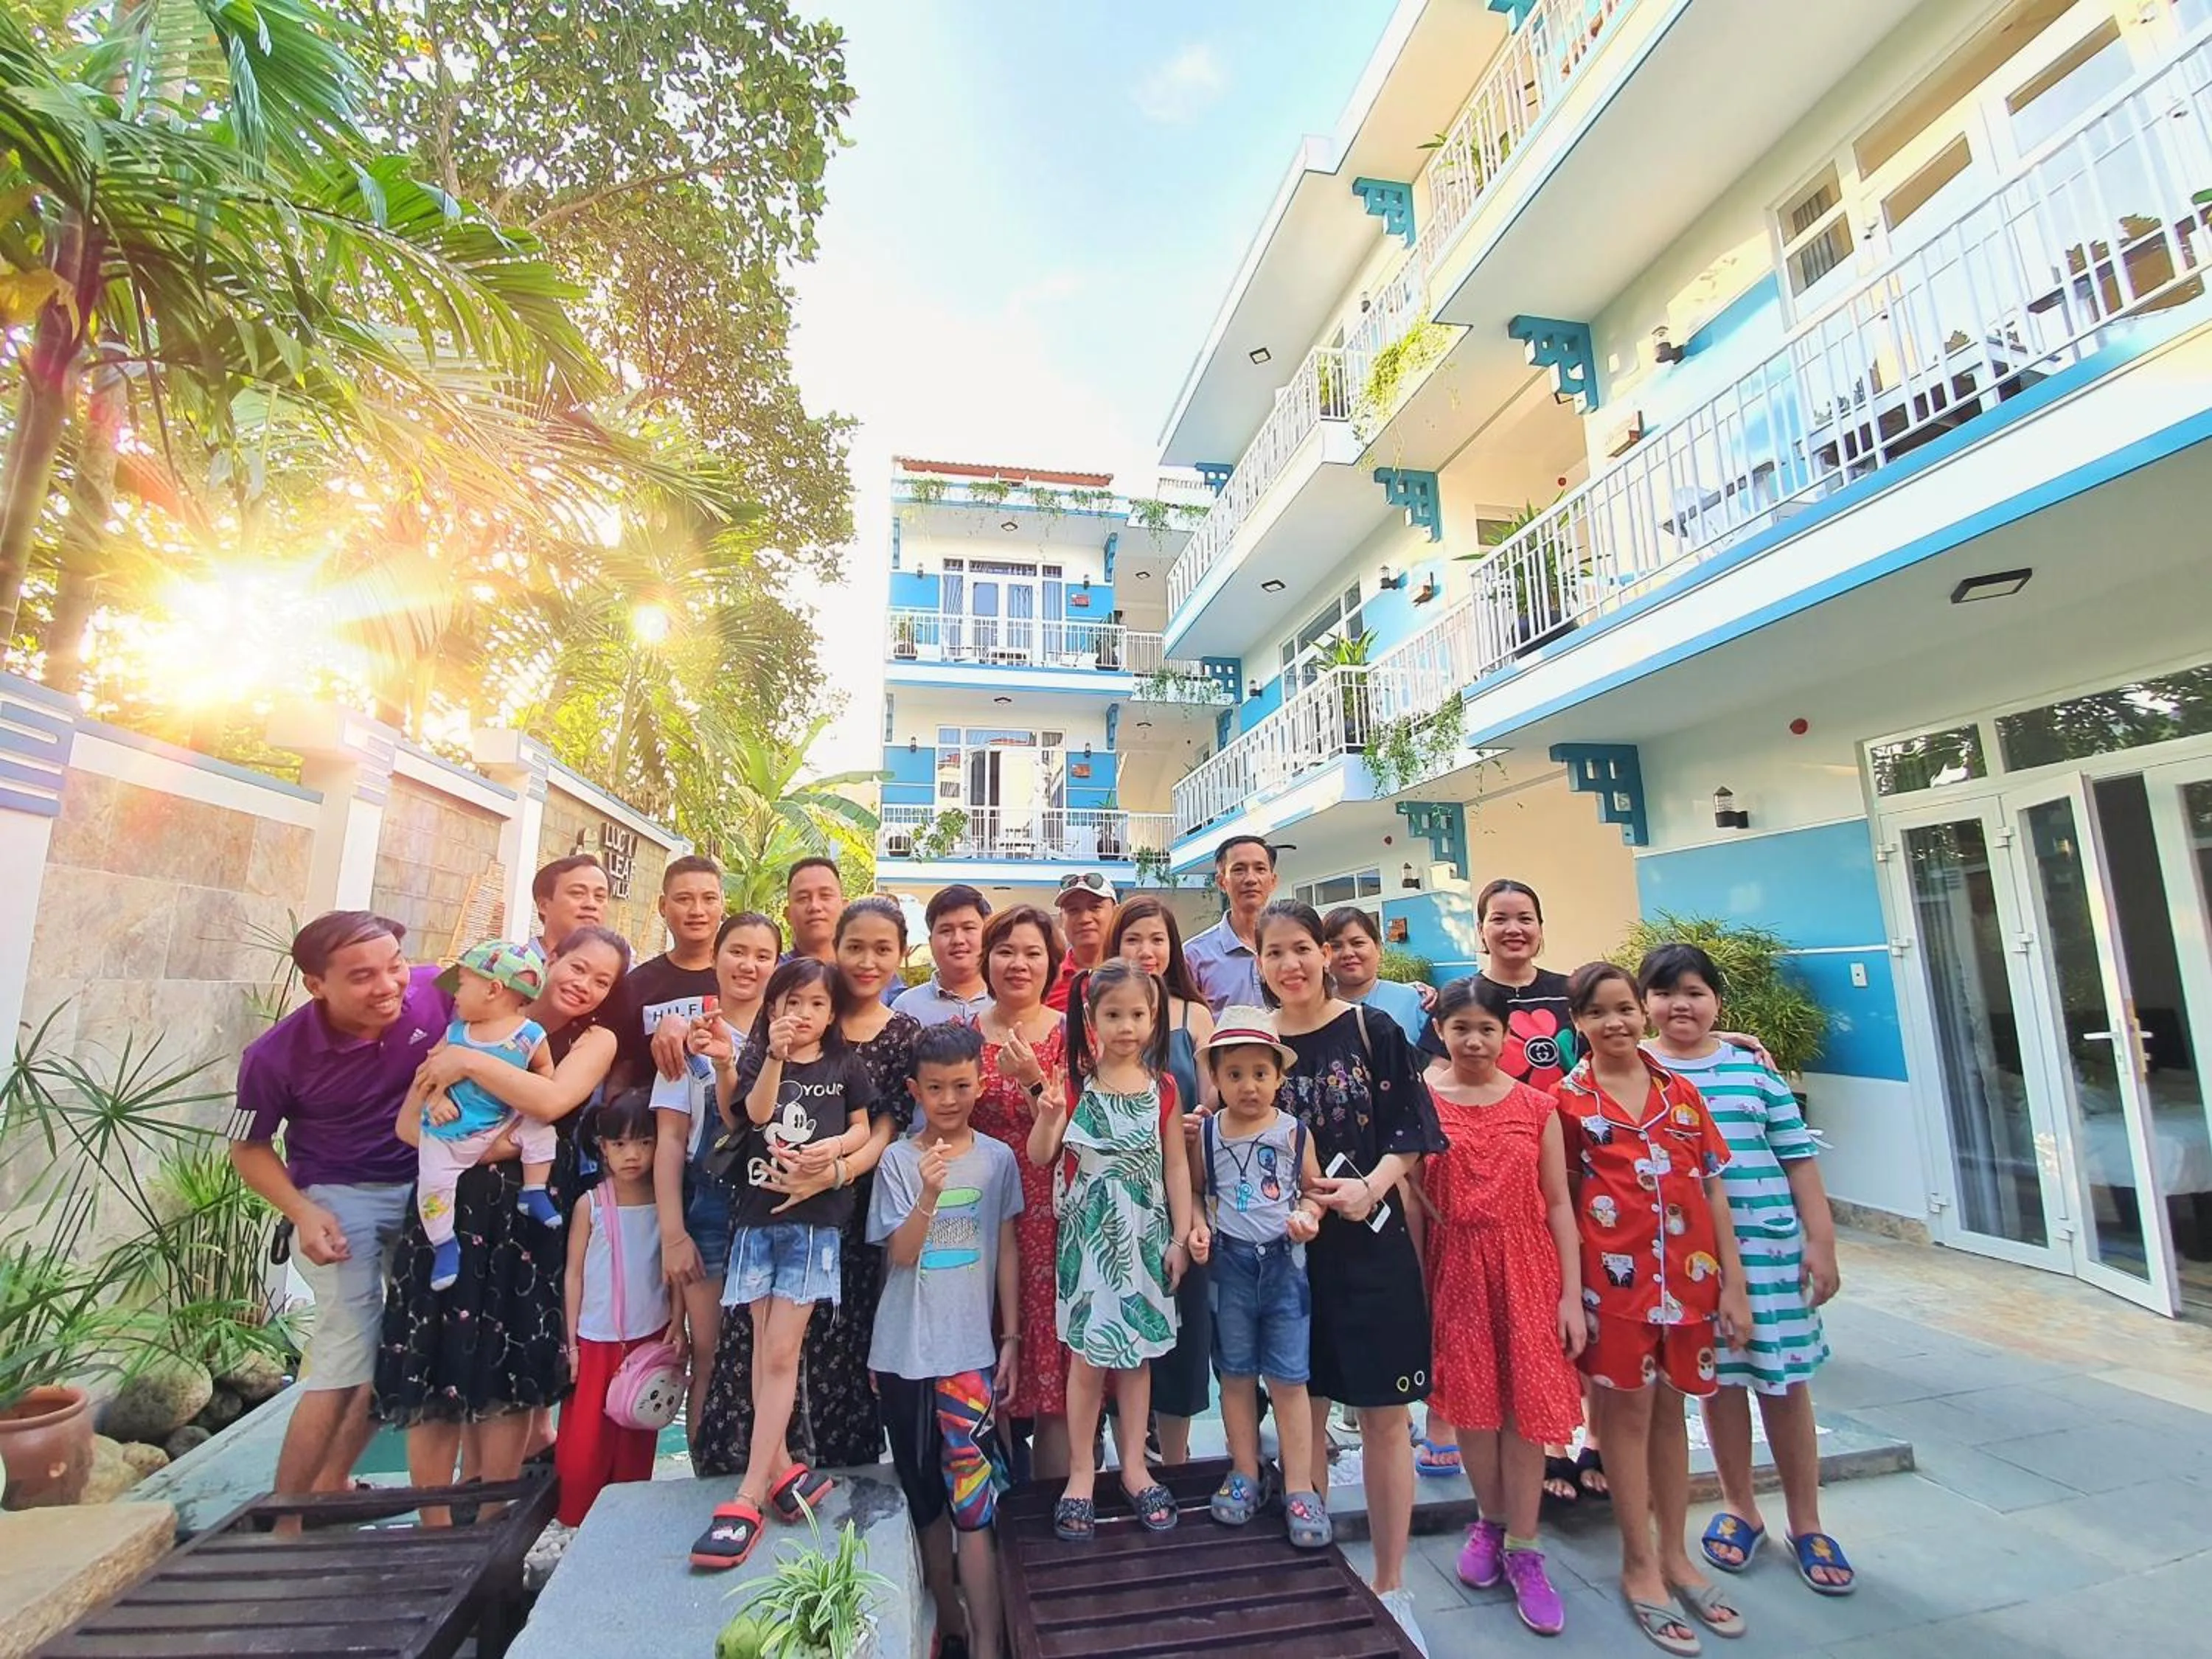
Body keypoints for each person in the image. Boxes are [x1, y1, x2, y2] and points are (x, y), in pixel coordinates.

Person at [377, 925, 633, 1512]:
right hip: (448, 1210)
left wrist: (467, 1064)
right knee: (433, 1355)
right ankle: (433, 1523)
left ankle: (492, 1511)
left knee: (511, 1359)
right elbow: (409, 1125)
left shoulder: (593, 1040)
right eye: (577, 967)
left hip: (526, 1218)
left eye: (602, 981)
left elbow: (550, 1101)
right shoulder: (463, 1025)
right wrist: (484, 1145)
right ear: (551, 958)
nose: (585, 985)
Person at [1257, 898, 1444, 1655]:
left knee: (1385, 1420)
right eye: (1275, 952)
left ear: (1325, 952)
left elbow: (1414, 1128)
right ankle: (1317, 1578)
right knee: (1300, 1419)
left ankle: (1392, 1586)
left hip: (1371, 1247)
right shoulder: (1253, 1041)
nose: (1291, 964)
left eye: (1302, 948)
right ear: (1260, 963)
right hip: (1287, 1256)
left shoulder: (1373, 1029)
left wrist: (1374, 1185)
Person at [1639, 945, 1851, 1597]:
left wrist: (1822, 1243)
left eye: (1696, 993)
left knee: (1785, 1385)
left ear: (1718, 1002)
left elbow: (1799, 1163)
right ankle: (1741, 1509)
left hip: (1771, 1253)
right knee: (1720, 1386)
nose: (1681, 1006)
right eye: (1666, 993)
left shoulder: (1754, 1074)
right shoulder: (1635, 1069)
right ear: (1645, 1003)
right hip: (1687, 1263)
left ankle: (1808, 1521)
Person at [1556, 961, 1753, 1656]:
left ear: (1642, 1011)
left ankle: (1676, 1554)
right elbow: (1561, 1204)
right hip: (1614, 1296)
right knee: (1626, 1420)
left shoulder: (1682, 1094)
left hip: (1691, 1289)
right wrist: (1569, 1295)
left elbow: (1714, 1188)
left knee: (1673, 1417)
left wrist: (1733, 1286)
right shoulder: (1567, 1103)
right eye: (1596, 1012)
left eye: (1623, 1008)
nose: (1613, 1023)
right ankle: (1639, 1564)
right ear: (1577, 1023)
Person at [694, 900, 922, 1479]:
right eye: (855, 947)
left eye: (883, 949)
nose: (867, 961)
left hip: (847, 1213)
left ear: (900, 956)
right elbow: (741, 1113)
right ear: (834, 949)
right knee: (762, 1344)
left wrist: (836, 1171)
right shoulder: (783, 1026)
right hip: (765, 1208)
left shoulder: (901, 1033)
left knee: (836, 1342)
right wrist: (725, 1064)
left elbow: (884, 1126)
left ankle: (827, 1478)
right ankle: (766, 1471)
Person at [229, 912, 447, 1504]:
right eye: (362, 976)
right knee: (347, 1354)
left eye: (395, 966)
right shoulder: (273, 1056)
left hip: (429, 1188)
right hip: (340, 1197)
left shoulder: (435, 991)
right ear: (316, 984)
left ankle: (333, 1485)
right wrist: (301, 1211)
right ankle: (287, 1518)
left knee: (409, 1346)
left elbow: (516, 995)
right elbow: (247, 1148)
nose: (388, 986)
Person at [691, 956, 877, 1570]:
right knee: (762, 1349)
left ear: (833, 1013)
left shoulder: (845, 1064)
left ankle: (748, 1494)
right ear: (772, 1007)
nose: (803, 1014)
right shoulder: (758, 1058)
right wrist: (772, 1055)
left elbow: (863, 1127)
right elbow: (756, 1114)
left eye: (817, 1004)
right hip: (756, 1219)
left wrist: (837, 1150)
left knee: (779, 1352)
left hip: (814, 1226)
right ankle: (782, 1472)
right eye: (791, 1002)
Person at [1421, 978, 1585, 1637]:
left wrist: (1571, 1295)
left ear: (1506, 1033)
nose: (1474, 1041)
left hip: (1528, 1267)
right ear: (1441, 1032)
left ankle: (1525, 1544)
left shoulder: (1538, 1106)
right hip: (1456, 1266)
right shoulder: (1423, 1105)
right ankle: (1489, 1521)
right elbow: (1413, 1203)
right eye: (1461, 1028)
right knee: (1472, 1408)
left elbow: (1559, 1203)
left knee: (1524, 1408)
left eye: (1486, 1029)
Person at [869, 1023, 1023, 1659]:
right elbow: (902, 1254)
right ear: (915, 1090)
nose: (950, 1099)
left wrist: (1010, 1336)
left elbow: (1006, 1247)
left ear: (981, 1084)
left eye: (962, 1086)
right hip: (904, 1356)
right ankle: (950, 1627)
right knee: (926, 1499)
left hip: (968, 1355)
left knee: (974, 1503)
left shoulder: (997, 1158)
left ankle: (988, 1640)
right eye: (936, 1089)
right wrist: (929, 1193)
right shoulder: (897, 1161)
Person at [1028, 960, 1194, 1542]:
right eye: (1114, 1014)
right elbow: (1042, 1154)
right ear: (1092, 1018)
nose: (1127, 1026)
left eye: (1138, 1014)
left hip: (1145, 1237)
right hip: (1088, 1239)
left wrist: (1180, 1237)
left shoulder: (1163, 1088)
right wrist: (1049, 1114)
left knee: (1136, 1358)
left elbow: (1176, 1167)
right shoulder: (1075, 1085)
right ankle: (1081, 1472)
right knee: (1087, 1361)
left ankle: (1135, 1468)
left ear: (1155, 1017)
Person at [1186, 1006, 1328, 1548]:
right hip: (1230, 1266)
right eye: (1235, 1074)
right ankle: (1245, 1469)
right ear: (1217, 1078)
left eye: (1260, 1073)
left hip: (1285, 1266)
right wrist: (1198, 1227)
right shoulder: (1207, 1135)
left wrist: (1309, 1217)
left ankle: (1300, 1485)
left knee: (1289, 1378)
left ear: (1279, 1076)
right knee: (1236, 1373)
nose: (1249, 1086)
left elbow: (1313, 1191)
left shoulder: (1293, 1133)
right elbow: (1197, 1191)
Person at [653, 911, 780, 1455]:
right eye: (737, 952)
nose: (748, 965)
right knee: (708, 1351)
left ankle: (766, 1470)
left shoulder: (788, 1040)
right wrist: (673, 1234)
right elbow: (669, 1141)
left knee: (771, 1355)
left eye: (763, 956)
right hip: (707, 1209)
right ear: (715, 957)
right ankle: (707, 1471)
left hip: (774, 1207)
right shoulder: (688, 1042)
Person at [965, 905, 1073, 1475]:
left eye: (1033, 953)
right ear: (987, 961)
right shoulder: (963, 1036)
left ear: (1052, 963)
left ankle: (1057, 1499)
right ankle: (997, 1497)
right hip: (981, 1215)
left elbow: (1073, 1134)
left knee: (1055, 1367)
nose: (1018, 964)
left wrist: (1032, 1079)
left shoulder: (1071, 1035)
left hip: (1051, 1217)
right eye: (1005, 951)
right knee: (985, 1358)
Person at [1108, 897, 1216, 1463]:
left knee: (1182, 1331)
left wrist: (1200, 1120)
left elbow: (1215, 1098)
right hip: (1114, 1201)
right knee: (1117, 1335)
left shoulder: (1194, 1016)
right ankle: (1126, 1461)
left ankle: (1176, 1462)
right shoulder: (1101, 1012)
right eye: (1133, 939)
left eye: (1157, 939)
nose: (1146, 951)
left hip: (1181, 1192)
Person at [412, 940, 560, 1292]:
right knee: (433, 1186)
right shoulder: (455, 1033)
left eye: (462, 984)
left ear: (493, 989)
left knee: (543, 1131)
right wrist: (436, 1098)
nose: (455, 995)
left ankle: (534, 1190)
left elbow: (545, 1073)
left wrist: (526, 1097)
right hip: (448, 1132)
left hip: (499, 1124)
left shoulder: (529, 1036)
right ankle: (444, 1244)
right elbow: (427, 1074)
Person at [554, 1089, 671, 1528]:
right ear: (602, 1147)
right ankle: (576, 1519)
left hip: (649, 1335)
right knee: (584, 1442)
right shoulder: (591, 1204)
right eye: (620, 1144)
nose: (632, 1155)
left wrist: (677, 1323)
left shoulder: (665, 1201)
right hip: (596, 1337)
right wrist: (571, 1343)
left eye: (644, 1142)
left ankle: (627, 1518)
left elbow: (674, 1267)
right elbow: (574, 1274)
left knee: (636, 1433)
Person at [619, 854, 728, 1091]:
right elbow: (620, 1069)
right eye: (684, 899)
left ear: (723, 906)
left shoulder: (745, 980)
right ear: (663, 906)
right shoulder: (635, 985)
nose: (697, 910)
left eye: (709, 899)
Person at [1185, 835, 1277, 1015]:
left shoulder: (1293, 947)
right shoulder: (1194, 957)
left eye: (1260, 869)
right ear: (1221, 882)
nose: (1251, 879)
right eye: (1239, 870)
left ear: (1273, 881)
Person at [891, 884, 993, 1026]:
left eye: (968, 928)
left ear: (988, 935)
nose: (958, 940)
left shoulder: (1009, 1002)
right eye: (946, 930)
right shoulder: (905, 1009)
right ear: (931, 942)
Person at [1324, 907, 1427, 1045]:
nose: (1348, 953)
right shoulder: (1314, 1009)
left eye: (1358, 943)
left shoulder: (1414, 1000)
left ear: (1378, 947)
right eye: (1336, 946)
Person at [1044, 870, 1116, 1012]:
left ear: (1116, 912)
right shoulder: (1047, 979)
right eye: (1073, 910)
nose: (1085, 919)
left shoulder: (1134, 973)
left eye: (1095, 907)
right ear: (1061, 919)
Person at [530, 852, 611, 956]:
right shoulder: (515, 963)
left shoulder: (621, 965)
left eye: (599, 896)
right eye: (578, 893)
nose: (591, 904)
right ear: (543, 905)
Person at [783, 856, 844, 964]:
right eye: (803, 898)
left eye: (825, 896)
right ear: (788, 915)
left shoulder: (865, 970)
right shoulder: (771, 972)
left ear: (845, 908)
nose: (815, 906)